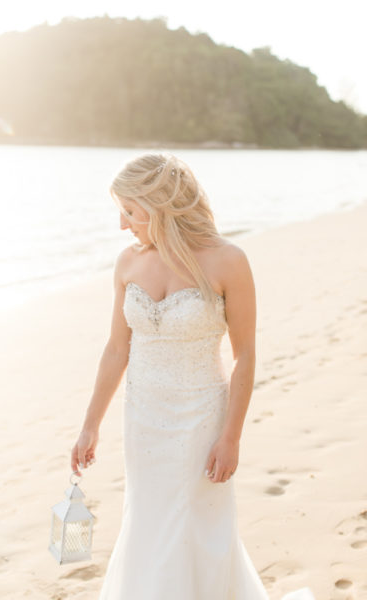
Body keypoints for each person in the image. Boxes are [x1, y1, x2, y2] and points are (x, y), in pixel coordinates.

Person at [70, 153, 315, 600]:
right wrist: (90, 426)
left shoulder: (228, 261)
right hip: (143, 419)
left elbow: (244, 356)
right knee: (147, 520)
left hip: (202, 419)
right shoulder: (127, 262)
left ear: (160, 204)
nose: (123, 225)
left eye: (130, 211)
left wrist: (231, 437)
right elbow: (116, 348)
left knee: (197, 526)